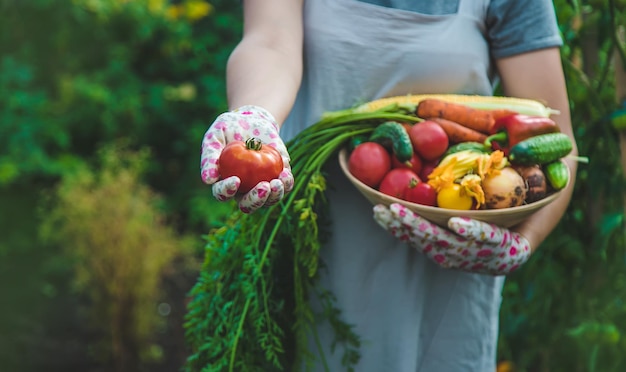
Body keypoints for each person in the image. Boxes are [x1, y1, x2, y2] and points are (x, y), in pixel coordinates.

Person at [200, 0, 577, 371]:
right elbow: (269, 41)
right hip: (313, 237)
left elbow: (556, 135)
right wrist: (255, 115)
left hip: (454, 260)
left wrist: (524, 241)